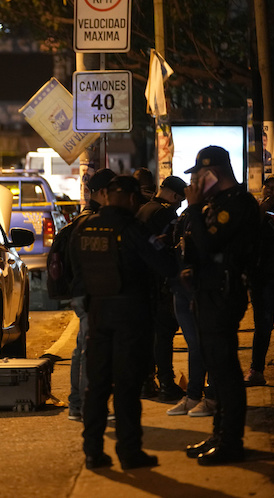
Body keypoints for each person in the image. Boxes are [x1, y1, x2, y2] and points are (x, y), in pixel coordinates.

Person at [70, 175, 178, 470]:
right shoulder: (134, 229)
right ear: (132, 200)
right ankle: (129, 452)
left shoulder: (86, 227)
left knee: (97, 387)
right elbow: (166, 266)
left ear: (106, 196)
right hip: (131, 316)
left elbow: (76, 271)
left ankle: (93, 452)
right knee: (128, 386)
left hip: (98, 315)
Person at [181, 145, 260, 466]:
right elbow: (195, 244)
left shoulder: (237, 203)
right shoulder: (216, 203)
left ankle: (231, 442)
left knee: (225, 370)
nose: (196, 181)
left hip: (223, 293)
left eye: (200, 174)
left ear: (213, 172)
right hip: (208, 291)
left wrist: (195, 207)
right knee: (216, 366)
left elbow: (210, 242)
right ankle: (219, 434)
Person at [64, 167, 116, 421]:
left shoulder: (82, 218)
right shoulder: (94, 220)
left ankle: (78, 404)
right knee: (89, 350)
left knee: (83, 348)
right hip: (90, 294)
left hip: (82, 293)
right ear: (105, 192)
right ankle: (87, 406)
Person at [136, 176, 188, 403]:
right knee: (164, 334)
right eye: (180, 201)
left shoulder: (144, 209)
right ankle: (166, 382)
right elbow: (170, 249)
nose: (178, 206)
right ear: (176, 196)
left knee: (149, 335)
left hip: (142, 282)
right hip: (160, 282)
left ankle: (147, 382)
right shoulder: (165, 214)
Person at [167, 185, 217, 418]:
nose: (190, 188)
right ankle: (195, 395)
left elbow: (207, 248)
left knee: (205, 344)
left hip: (201, 288)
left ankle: (210, 397)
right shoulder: (187, 214)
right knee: (194, 345)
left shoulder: (209, 212)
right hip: (182, 286)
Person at [244, 174, 274, 386]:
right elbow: (249, 230)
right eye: (268, 187)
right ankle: (256, 370)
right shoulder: (256, 210)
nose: (271, 191)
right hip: (261, 277)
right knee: (263, 325)